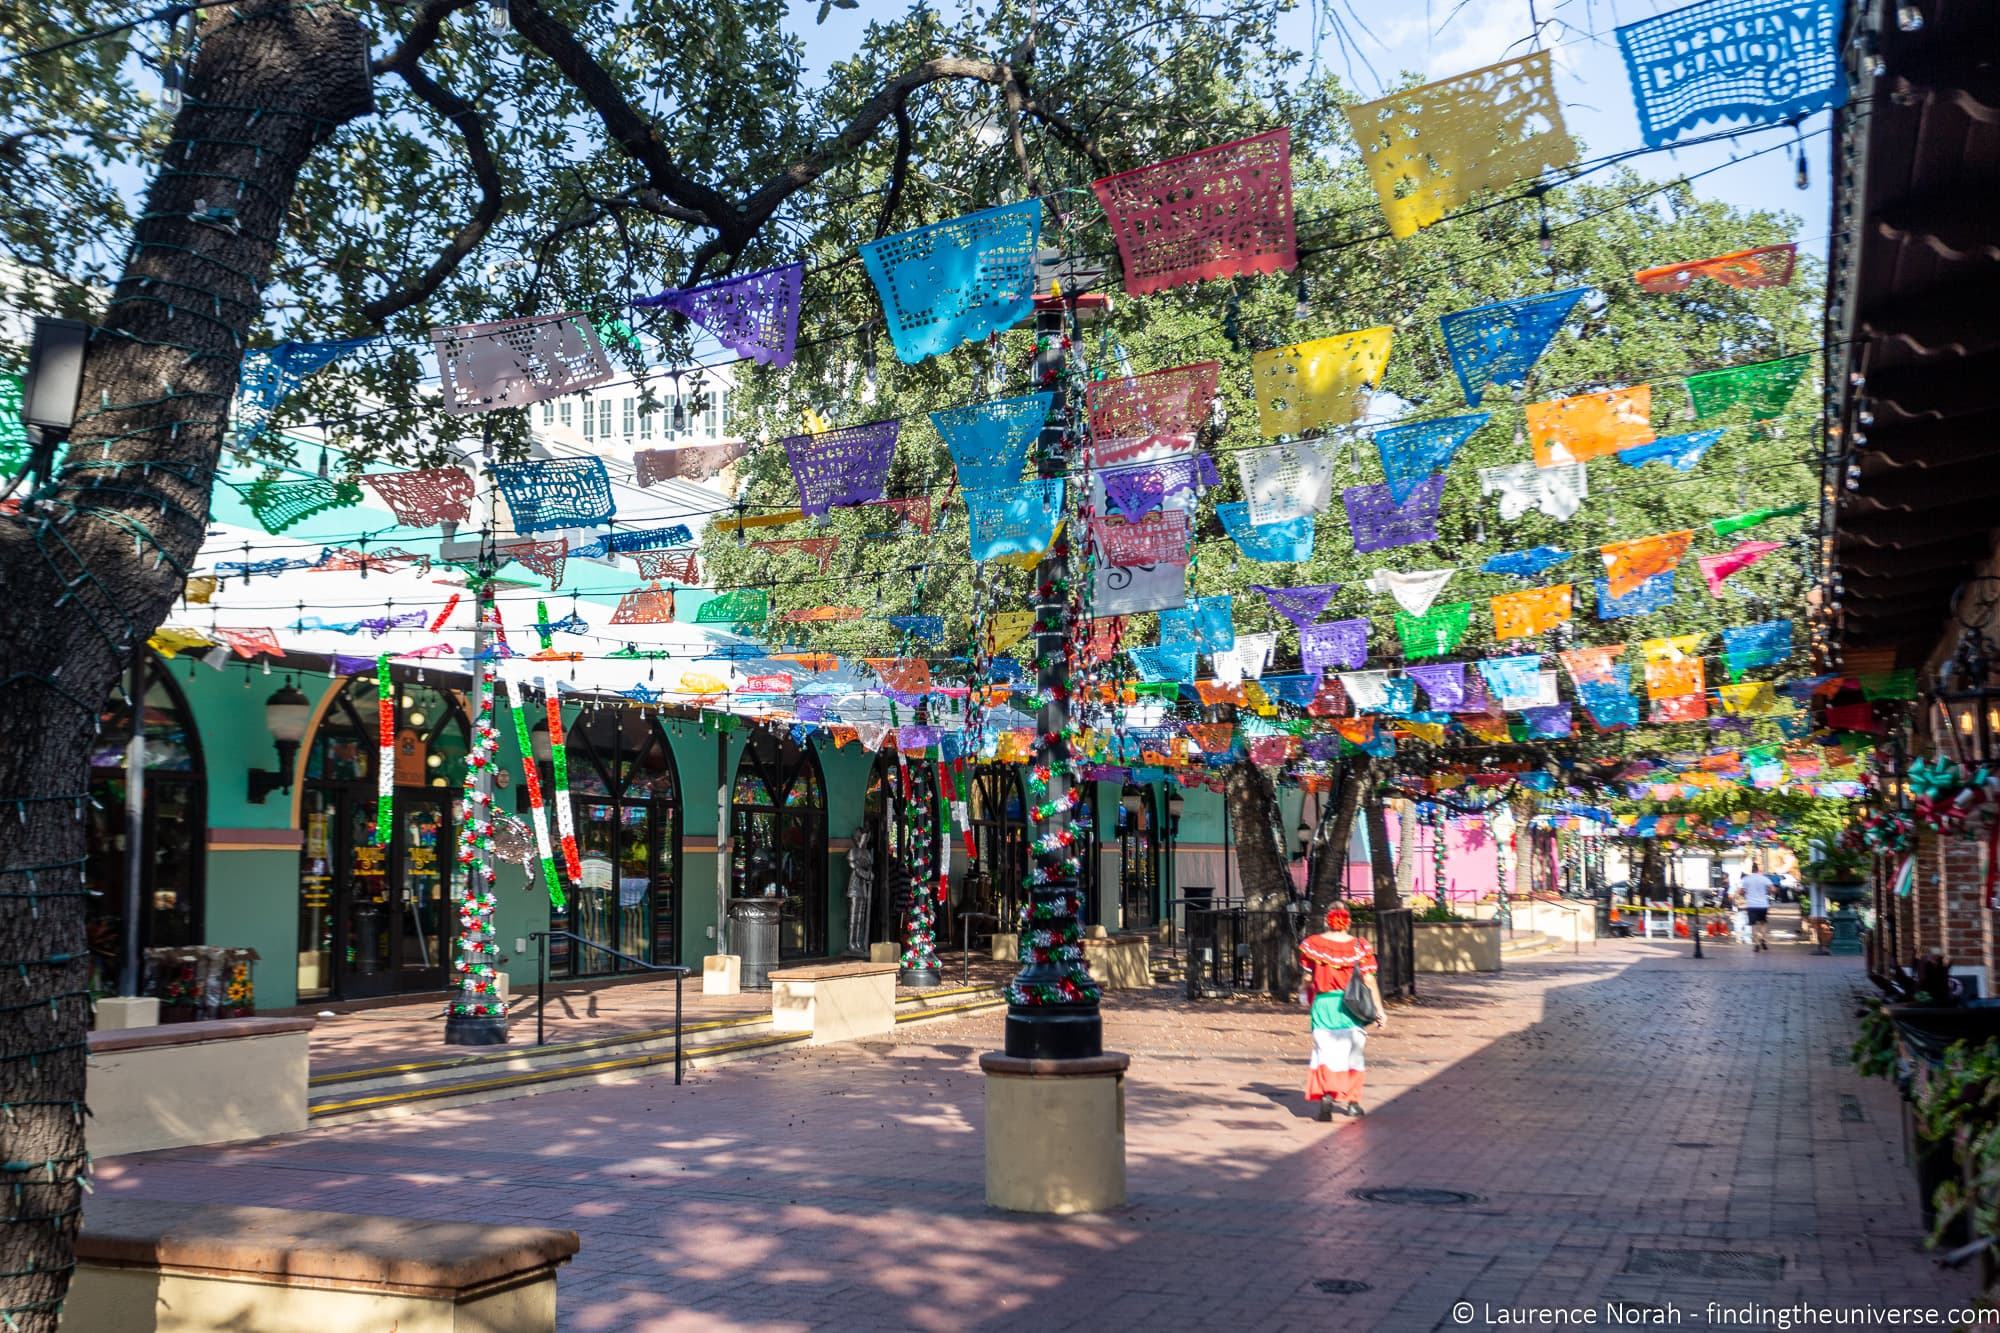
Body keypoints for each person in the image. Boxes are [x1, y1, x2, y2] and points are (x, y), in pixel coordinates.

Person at [1297, 905, 1386, 1120]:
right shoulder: (1359, 947)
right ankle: (1353, 1102)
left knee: (1325, 1052)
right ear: (1348, 922)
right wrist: (1380, 1010)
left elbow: (1308, 979)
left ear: (1327, 921)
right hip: (1351, 1005)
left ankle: (1327, 1094)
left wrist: (1301, 992)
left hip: (1324, 1005)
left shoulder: (1315, 945)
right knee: (1353, 1054)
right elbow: (1369, 980)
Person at [1739, 863, 1774, 952]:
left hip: (1752, 905)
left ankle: (1756, 944)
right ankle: (1763, 939)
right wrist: (1768, 892)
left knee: (1753, 925)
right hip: (1763, 904)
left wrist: (1745, 894)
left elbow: (1741, 891)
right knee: (1763, 923)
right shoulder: (1764, 878)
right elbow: (1772, 889)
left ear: (1751, 870)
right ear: (1758, 870)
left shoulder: (1746, 879)